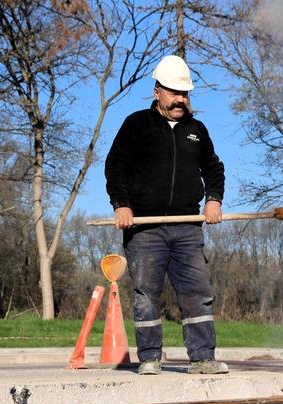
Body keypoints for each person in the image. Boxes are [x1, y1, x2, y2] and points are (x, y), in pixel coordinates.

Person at [104, 55, 228, 375]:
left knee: (197, 293)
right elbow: (115, 166)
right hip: (145, 229)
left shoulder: (196, 130)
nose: (179, 100)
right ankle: (149, 358)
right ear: (157, 91)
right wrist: (121, 204)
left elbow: (213, 169)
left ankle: (202, 358)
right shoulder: (136, 125)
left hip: (187, 226)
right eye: (173, 92)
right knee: (147, 294)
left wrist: (213, 201)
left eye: (184, 93)